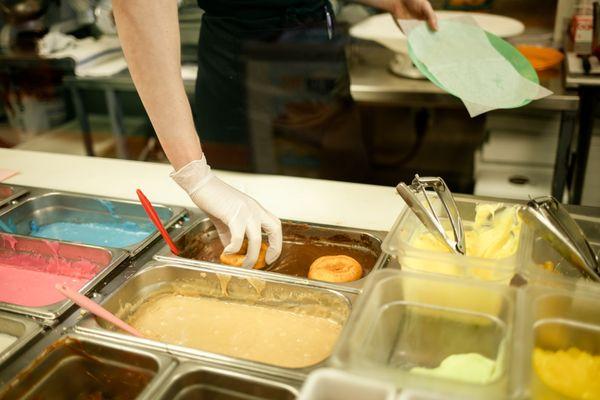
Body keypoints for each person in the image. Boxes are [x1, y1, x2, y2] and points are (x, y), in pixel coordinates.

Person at [111, 0, 437, 268]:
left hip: (322, 60)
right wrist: (195, 175)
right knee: (246, 241)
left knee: (347, 225)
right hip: (243, 71)